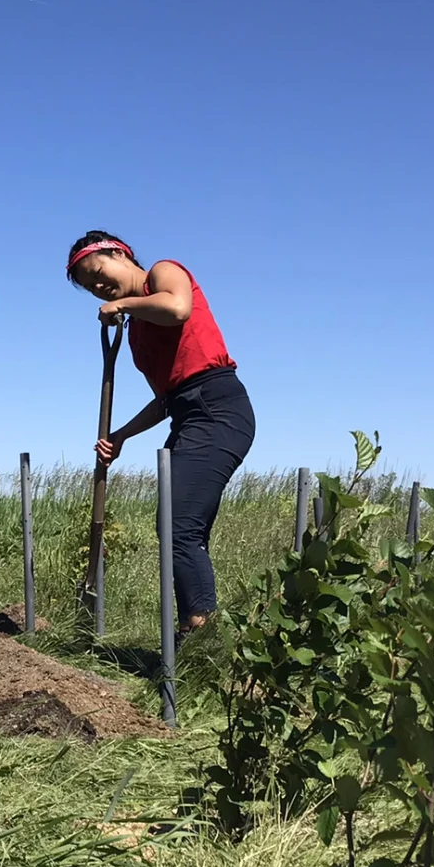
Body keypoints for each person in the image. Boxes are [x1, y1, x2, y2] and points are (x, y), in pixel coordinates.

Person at [69, 231, 255, 635]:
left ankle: (198, 631)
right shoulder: (136, 332)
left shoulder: (163, 273)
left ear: (119, 253)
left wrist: (121, 303)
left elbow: (177, 308)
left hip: (217, 408)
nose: (98, 287)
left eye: (98, 273)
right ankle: (197, 633)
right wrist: (121, 436)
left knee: (177, 527)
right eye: (89, 286)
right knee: (182, 531)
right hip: (187, 415)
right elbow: (164, 400)